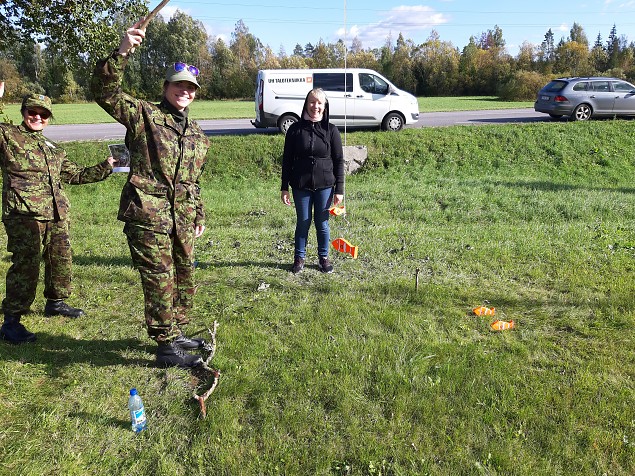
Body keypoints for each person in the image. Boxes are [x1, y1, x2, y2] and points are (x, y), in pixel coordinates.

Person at [91, 21, 210, 368]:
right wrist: (123, 50)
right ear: (166, 87)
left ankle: (177, 332)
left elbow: (194, 181)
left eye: (190, 87)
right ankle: (165, 345)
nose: (184, 92)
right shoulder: (145, 115)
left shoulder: (199, 135)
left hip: (183, 218)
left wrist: (198, 213)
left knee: (184, 274)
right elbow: (105, 93)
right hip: (148, 213)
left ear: (195, 92)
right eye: (178, 86)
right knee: (160, 278)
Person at [0, 87, 117, 344]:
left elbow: (74, 174)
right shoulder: (8, 136)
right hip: (24, 214)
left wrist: (106, 167)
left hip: (56, 214)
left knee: (60, 258)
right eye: (33, 112)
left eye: (44, 114)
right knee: (26, 264)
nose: (38, 118)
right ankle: (12, 321)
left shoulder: (52, 147)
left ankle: (56, 301)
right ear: (23, 112)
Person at [281, 88, 345, 274]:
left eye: (319, 103)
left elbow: (339, 160)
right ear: (306, 103)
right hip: (300, 185)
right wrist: (284, 187)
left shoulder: (331, 130)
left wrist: (339, 190)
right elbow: (287, 160)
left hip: (325, 185)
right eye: (312, 102)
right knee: (303, 221)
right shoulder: (294, 129)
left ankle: (323, 258)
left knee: (322, 223)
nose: (315, 106)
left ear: (324, 107)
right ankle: (299, 258)